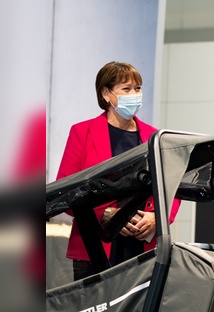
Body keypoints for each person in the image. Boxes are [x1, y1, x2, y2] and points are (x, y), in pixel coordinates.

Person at [56, 61, 180, 281]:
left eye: (138, 88)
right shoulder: (81, 132)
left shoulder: (155, 137)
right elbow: (64, 190)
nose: (134, 94)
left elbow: (173, 186)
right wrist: (104, 214)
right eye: (126, 89)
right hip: (95, 244)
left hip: (143, 243)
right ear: (106, 94)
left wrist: (157, 218)